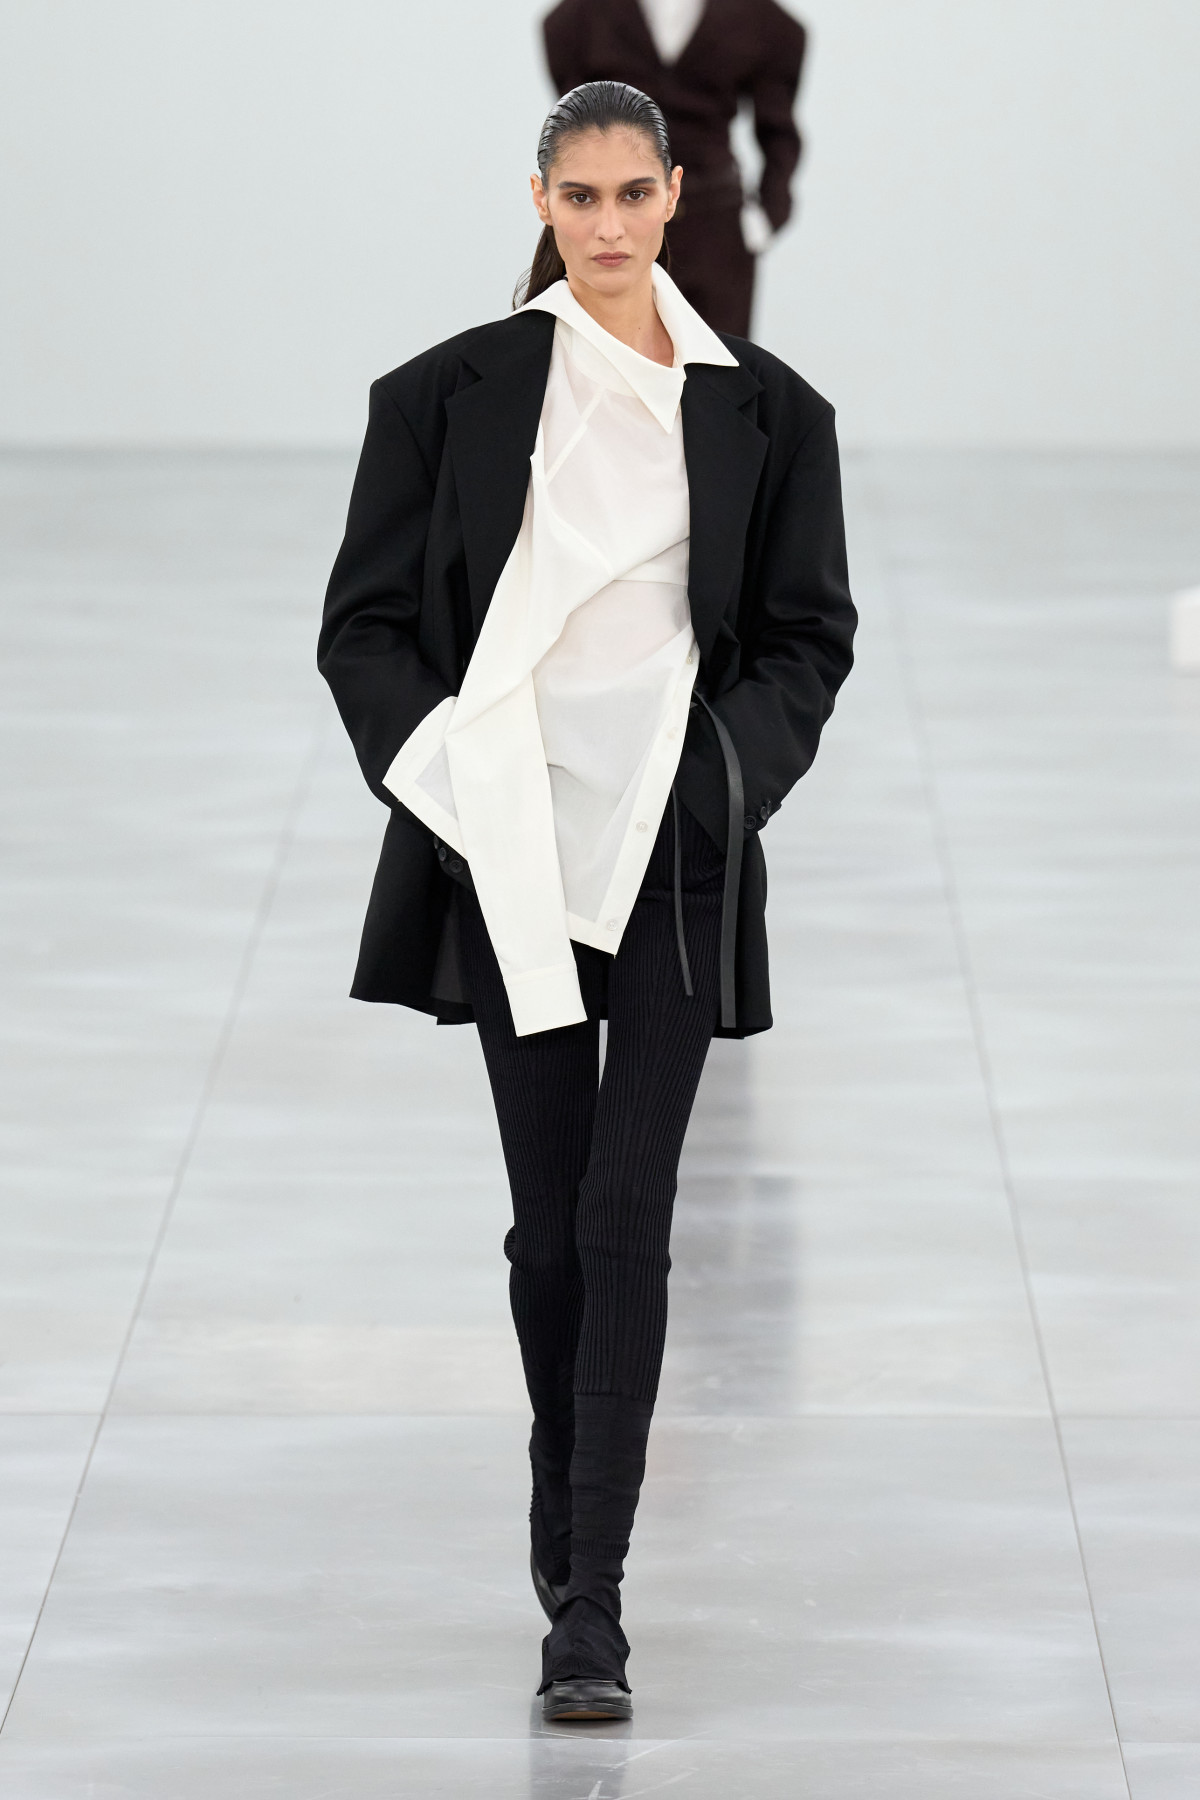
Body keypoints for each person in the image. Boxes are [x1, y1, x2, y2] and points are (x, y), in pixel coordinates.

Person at [318, 80, 855, 1723]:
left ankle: (594, 1609)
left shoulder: (771, 415)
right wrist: (455, 787)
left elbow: (807, 638)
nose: (611, 224)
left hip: (675, 857)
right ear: (541, 201)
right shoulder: (445, 398)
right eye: (582, 196)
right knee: (549, 1231)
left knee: (627, 1218)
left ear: (677, 194)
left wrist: (720, 781)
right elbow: (364, 630)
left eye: (635, 193)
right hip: (514, 851)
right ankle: (562, 1518)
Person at [542, 0, 807, 336]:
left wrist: (767, 215)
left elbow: (779, 130)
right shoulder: (583, 15)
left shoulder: (756, 17)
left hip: (715, 225)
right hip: (618, 218)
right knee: (608, 351)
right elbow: (570, 130)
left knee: (718, 360)